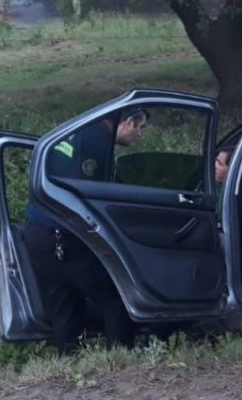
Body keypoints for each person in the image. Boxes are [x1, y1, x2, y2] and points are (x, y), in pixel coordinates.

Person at [24, 109, 149, 355]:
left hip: (38, 231)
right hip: (62, 236)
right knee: (115, 296)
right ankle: (120, 358)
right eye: (140, 127)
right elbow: (90, 195)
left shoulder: (76, 134)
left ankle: (69, 361)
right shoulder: (97, 142)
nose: (139, 134)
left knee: (65, 304)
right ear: (127, 122)